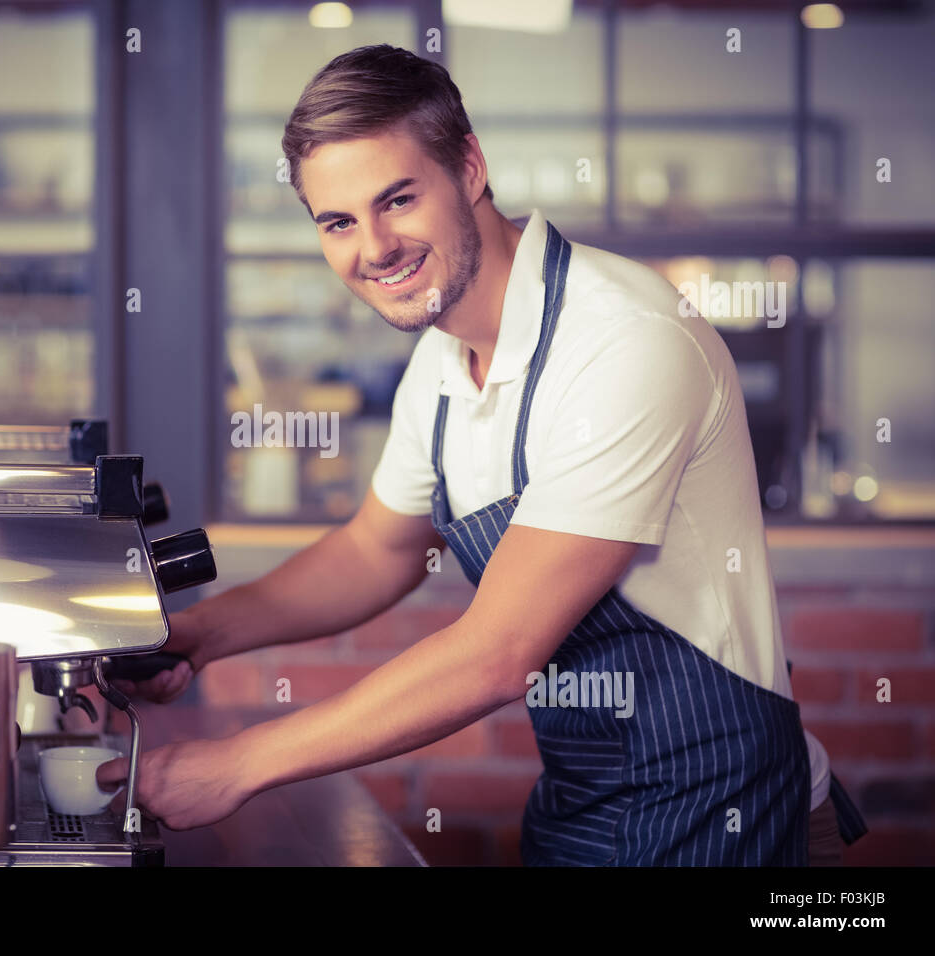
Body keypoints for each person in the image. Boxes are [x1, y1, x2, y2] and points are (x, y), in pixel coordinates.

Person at [98, 44, 866, 865]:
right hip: (586, 806)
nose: (376, 246)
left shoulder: (621, 342)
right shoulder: (440, 358)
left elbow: (498, 653)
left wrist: (241, 764)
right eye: (338, 222)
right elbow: (374, 550)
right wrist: (197, 632)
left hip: (729, 813)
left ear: (468, 168)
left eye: (397, 199)